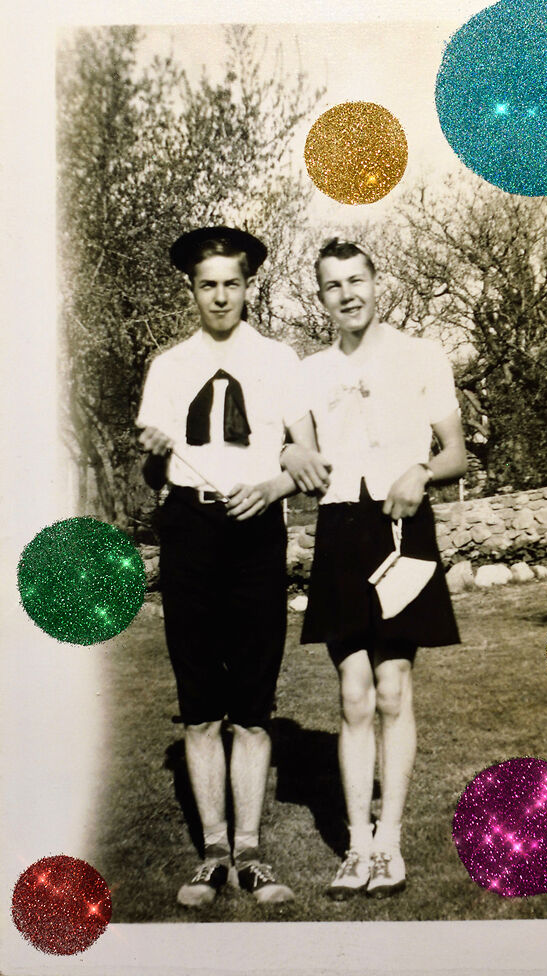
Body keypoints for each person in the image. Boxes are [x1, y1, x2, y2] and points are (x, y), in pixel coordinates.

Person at [137, 226, 325, 908]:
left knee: (251, 703)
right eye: (207, 284)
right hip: (189, 530)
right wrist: (156, 449)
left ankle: (251, 854)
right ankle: (211, 854)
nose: (220, 296)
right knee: (198, 705)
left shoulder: (280, 361)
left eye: (231, 284)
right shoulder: (168, 367)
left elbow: (308, 459)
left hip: (255, 536)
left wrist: (271, 487)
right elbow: (152, 466)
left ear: (249, 287)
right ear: (191, 290)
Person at [281, 237, 468, 900]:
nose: (348, 293)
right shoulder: (308, 371)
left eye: (357, 279)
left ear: (376, 281)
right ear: (322, 296)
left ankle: (389, 845)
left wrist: (420, 471)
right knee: (353, 695)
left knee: (392, 691)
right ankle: (355, 847)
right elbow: (296, 452)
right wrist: (291, 456)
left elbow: (457, 454)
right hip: (339, 527)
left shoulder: (420, 355)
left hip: (401, 524)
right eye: (333, 285)